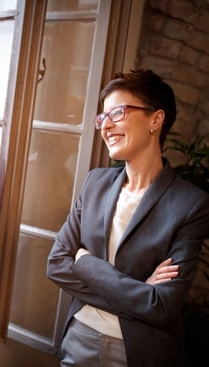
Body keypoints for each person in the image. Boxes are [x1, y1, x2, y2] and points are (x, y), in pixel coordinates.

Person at [47, 69, 209, 367]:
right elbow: (56, 264)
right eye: (102, 117)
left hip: (141, 352)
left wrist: (85, 263)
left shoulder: (190, 204)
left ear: (156, 120)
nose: (105, 125)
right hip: (79, 336)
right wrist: (139, 292)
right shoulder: (95, 182)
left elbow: (162, 306)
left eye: (117, 113)